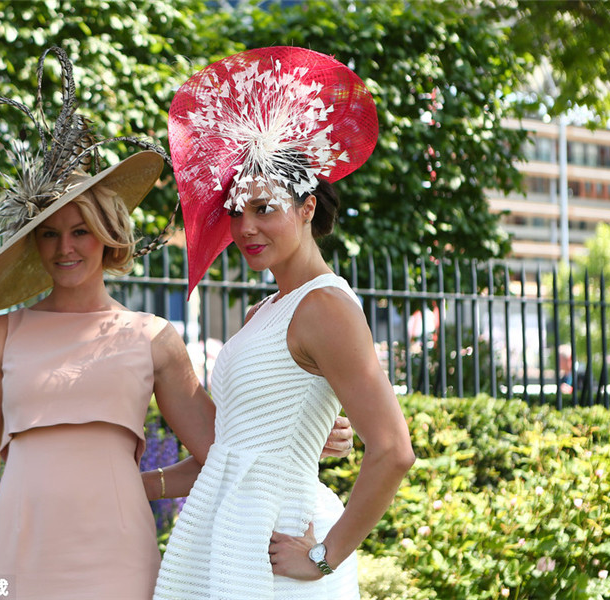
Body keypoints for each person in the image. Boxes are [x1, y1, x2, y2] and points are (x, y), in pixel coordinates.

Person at [0, 47, 355, 600]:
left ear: (108, 235)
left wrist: (298, 432)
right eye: (49, 233)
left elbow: (220, 449)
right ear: (32, 245)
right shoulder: (0, 337)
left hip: (120, 554)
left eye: (81, 230)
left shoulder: (152, 337)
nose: (66, 247)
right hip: (21, 542)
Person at [155, 46, 415, 599]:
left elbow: (393, 449)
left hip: (280, 550)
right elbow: (227, 453)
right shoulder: (263, 312)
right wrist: (133, 484)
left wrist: (323, 557)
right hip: (223, 542)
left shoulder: (325, 307)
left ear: (307, 207)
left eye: (264, 208)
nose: (245, 227)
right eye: (235, 210)